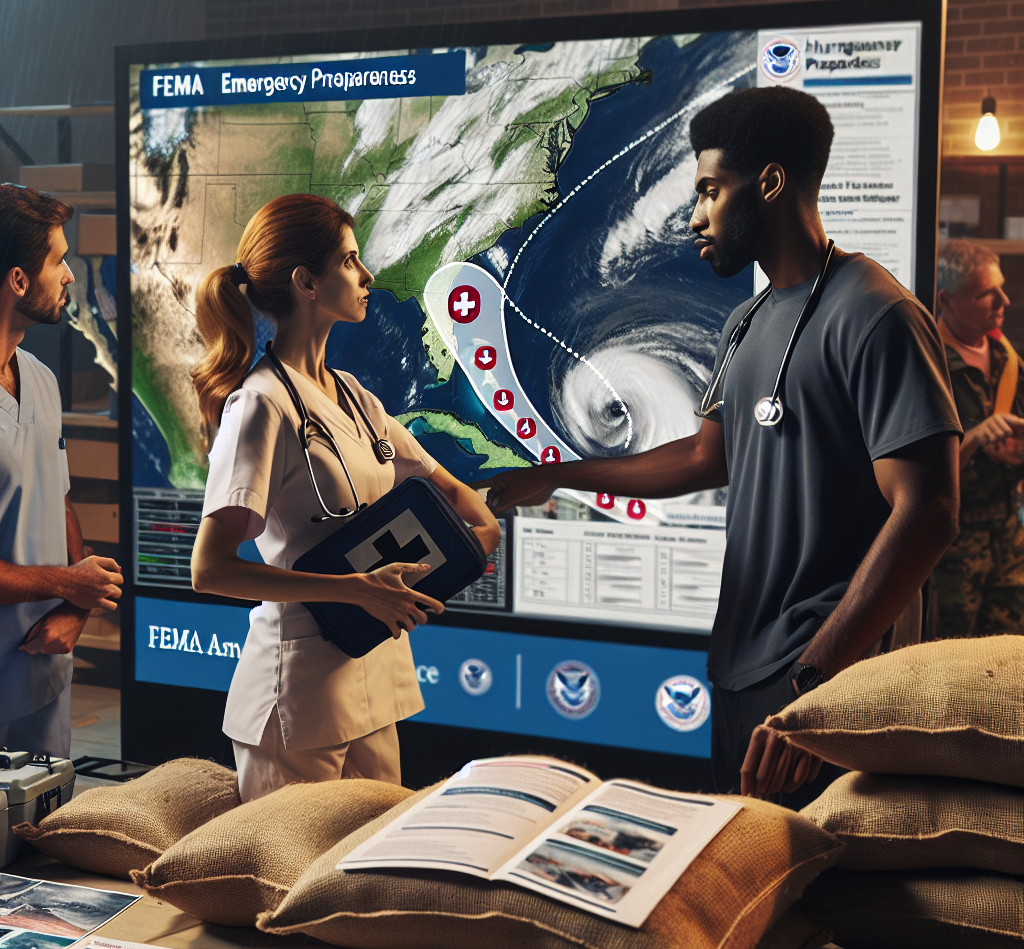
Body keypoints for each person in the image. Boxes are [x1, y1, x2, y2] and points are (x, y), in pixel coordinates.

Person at [485, 87, 962, 805]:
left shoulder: (877, 312)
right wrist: (558, 474)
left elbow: (929, 511)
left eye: (710, 190)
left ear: (769, 183)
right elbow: (703, 460)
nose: (695, 214)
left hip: (825, 674)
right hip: (743, 672)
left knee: (828, 896)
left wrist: (817, 681)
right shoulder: (746, 320)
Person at [190, 193, 501, 802]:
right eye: (351, 261)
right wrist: (352, 589)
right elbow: (210, 569)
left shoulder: (355, 397)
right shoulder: (261, 405)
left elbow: (455, 493)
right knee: (289, 880)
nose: (368, 276)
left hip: (372, 671)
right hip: (298, 694)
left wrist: (477, 534)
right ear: (306, 282)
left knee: (367, 873)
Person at [0, 183, 123, 758]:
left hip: (43, 667)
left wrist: (75, 607)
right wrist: (66, 585)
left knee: (45, 833)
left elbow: (61, 499)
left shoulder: (42, 380)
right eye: (59, 261)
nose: (71, 274)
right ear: (19, 281)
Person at [931, 239, 1024, 638]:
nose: (1003, 299)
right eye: (986, 292)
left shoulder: (1009, 359)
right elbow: (917, 472)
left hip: (1009, 536)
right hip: (954, 546)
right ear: (947, 300)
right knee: (955, 662)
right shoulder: (929, 364)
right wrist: (973, 440)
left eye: (1000, 287)